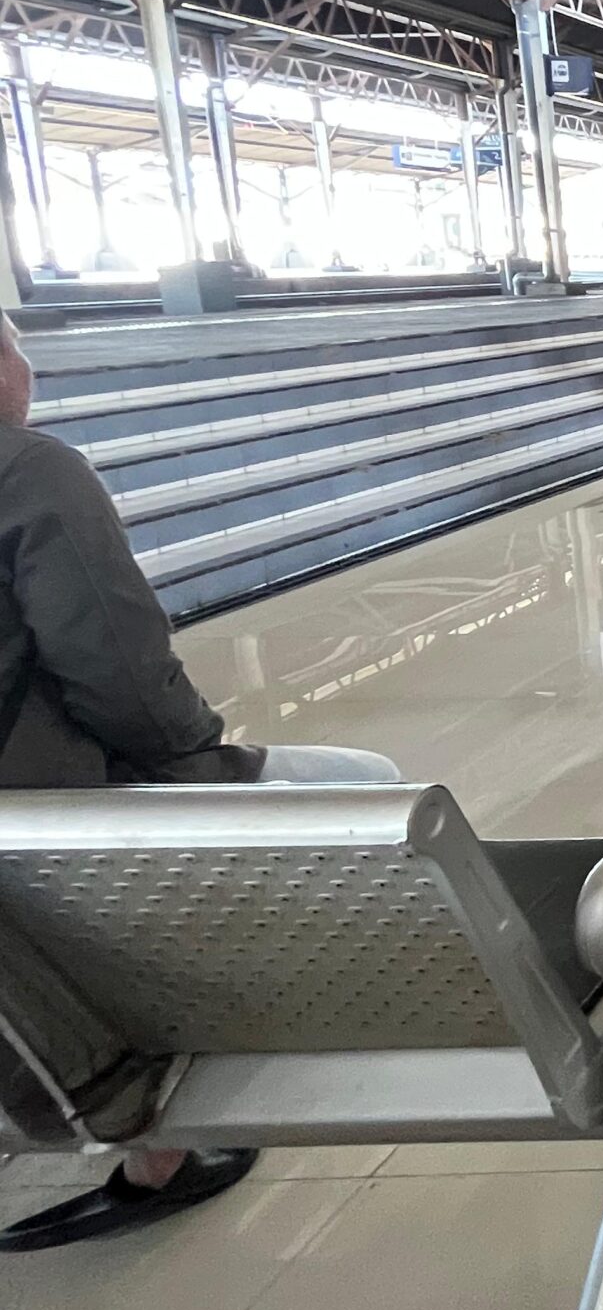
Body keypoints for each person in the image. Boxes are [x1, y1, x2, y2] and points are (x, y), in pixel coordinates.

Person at [0, 311, 399, 1252]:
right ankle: (171, 1144)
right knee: (373, 786)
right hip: (52, 816)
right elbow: (125, 679)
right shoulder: (28, 472)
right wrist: (199, 769)